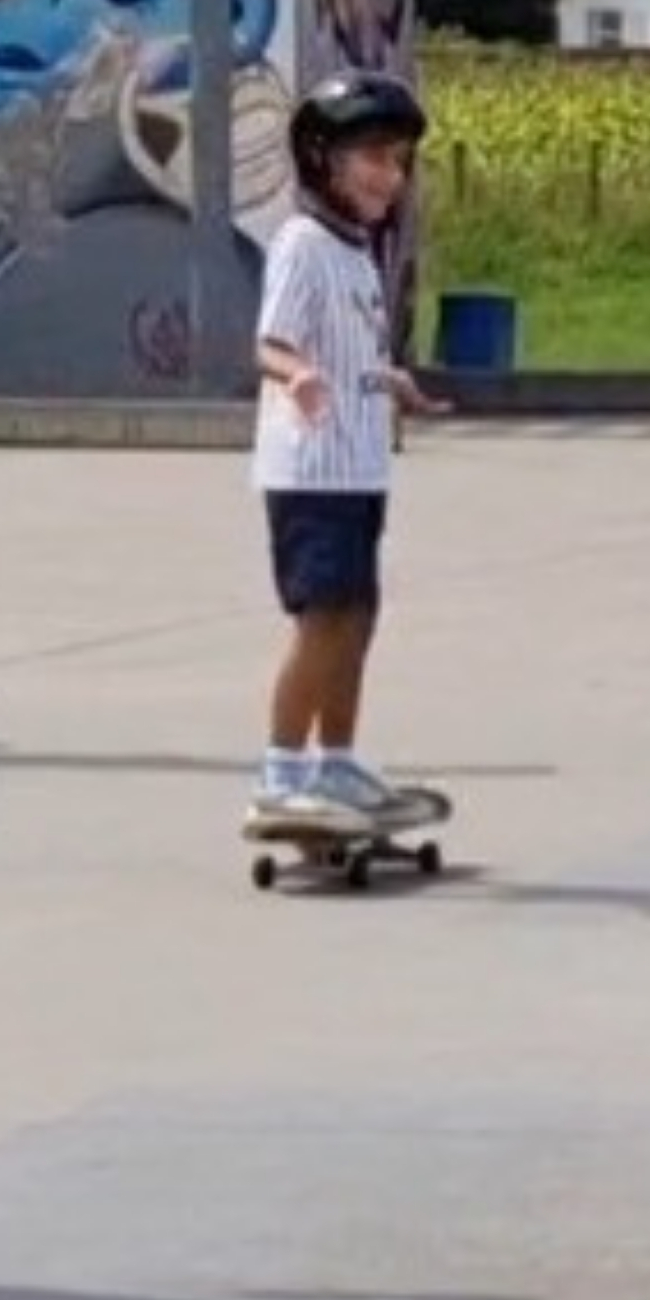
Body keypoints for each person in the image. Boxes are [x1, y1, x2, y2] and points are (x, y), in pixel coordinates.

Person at [250, 67, 450, 829]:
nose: (387, 176)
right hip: (310, 472)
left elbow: (346, 348)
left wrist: (387, 379)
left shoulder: (354, 250)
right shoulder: (301, 243)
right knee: (322, 620)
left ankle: (333, 761)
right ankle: (280, 771)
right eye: (372, 157)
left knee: (357, 616)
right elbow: (270, 343)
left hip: (358, 467)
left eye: (397, 161)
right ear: (321, 159)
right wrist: (297, 374)